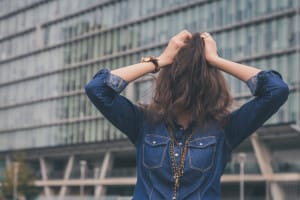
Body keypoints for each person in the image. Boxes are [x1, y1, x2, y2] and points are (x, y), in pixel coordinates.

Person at [85, 30, 289, 200]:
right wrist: (160, 61)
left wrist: (215, 60)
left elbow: (276, 90)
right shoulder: (143, 122)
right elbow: (97, 89)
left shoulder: (225, 128)